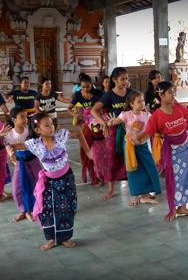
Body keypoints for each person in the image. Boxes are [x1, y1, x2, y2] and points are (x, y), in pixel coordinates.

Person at [133, 81, 188, 221]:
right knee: (176, 180)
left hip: (186, 147)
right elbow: (147, 132)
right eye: (170, 92)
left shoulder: (178, 107)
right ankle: (175, 207)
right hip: (172, 151)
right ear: (161, 95)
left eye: (173, 92)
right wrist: (135, 139)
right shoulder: (156, 116)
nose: (173, 95)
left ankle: (183, 207)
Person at [25, 112, 91, 251]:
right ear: (37, 130)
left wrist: (88, 152)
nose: (51, 127)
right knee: (47, 210)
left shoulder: (60, 137)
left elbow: (79, 133)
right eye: (47, 125)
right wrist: (10, 151)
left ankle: (64, 238)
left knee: (66, 208)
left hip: (67, 179)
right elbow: (17, 145)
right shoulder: (35, 144)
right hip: (49, 182)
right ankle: (51, 239)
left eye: (52, 124)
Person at [108, 92, 161, 206]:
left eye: (143, 100)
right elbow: (116, 122)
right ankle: (135, 195)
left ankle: (145, 195)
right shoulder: (126, 114)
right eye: (139, 101)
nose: (142, 103)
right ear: (132, 104)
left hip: (142, 145)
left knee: (149, 167)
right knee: (133, 170)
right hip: (130, 147)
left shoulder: (147, 115)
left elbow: (152, 128)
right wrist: (111, 122)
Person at [91, 67, 135, 200]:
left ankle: (135, 186)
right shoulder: (109, 95)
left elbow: (140, 106)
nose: (125, 81)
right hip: (113, 130)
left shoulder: (132, 93)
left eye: (126, 78)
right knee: (111, 157)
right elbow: (94, 110)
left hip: (130, 129)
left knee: (131, 156)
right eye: (122, 79)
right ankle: (111, 188)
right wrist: (103, 122)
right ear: (114, 80)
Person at [4, 106, 42, 222]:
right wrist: (11, 154)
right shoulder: (9, 133)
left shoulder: (30, 129)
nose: (25, 119)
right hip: (20, 163)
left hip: (33, 160)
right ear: (14, 119)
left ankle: (36, 209)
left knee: (37, 185)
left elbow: (35, 143)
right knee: (17, 187)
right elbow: (8, 145)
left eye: (26, 117)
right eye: (22, 117)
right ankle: (24, 211)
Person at [67, 74, 104, 185]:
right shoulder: (78, 95)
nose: (86, 89)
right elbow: (68, 108)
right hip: (85, 124)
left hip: (97, 123)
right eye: (83, 87)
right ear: (80, 86)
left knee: (98, 151)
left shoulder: (98, 93)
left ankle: (101, 175)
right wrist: (75, 114)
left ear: (91, 85)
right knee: (85, 149)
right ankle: (89, 173)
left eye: (88, 87)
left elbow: (105, 105)